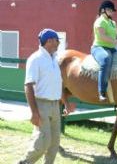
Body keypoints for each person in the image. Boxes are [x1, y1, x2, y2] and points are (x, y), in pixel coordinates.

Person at [18, 28, 72, 164]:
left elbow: (57, 84)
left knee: (54, 144)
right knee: (42, 142)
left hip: (55, 105)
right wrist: (34, 112)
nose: (59, 44)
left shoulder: (54, 59)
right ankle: (24, 162)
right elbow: (28, 85)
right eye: (57, 41)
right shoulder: (35, 59)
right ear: (49, 41)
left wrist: (65, 103)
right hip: (41, 105)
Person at [91, 0, 117, 102]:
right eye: (109, 10)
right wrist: (116, 41)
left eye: (112, 10)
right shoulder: (100, 21)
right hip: (99, 47)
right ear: (103, 10)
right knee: (105, 59)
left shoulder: (113, 23)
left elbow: (116, 36)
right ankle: (102, 92)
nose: (112, 12)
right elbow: (102, 36)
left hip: (111, 48)